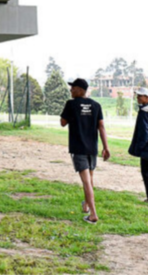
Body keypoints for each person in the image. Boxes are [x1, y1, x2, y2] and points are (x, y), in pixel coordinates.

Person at [60, 78, 110, 224]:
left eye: (73, 88)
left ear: (81, 90)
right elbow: (101, 127)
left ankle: (93, 214)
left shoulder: (71, 104)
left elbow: (63, 123)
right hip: (92, 148)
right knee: (90, 179)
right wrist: (106, 147)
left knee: (86, 181)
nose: (71, 90)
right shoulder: (96, 105)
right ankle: (86, 206)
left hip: (78, 148)